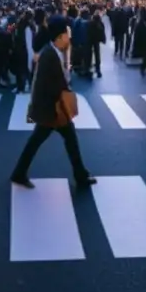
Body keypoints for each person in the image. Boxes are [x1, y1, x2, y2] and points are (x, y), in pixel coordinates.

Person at [11, 18, 95, 190]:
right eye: (66, 36)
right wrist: (65, 90)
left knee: (53, 140)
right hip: (51, 110)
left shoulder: (53, 52)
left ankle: (80, 174)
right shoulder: (50, 55)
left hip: (52, 108)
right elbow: (47, 84)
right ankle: (79, 175)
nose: (68, 39)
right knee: (47, 141)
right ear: (59, 37)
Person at [131, 8, 146, 76]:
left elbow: (136, 36)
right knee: (145, 56)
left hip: (140, 44)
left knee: (143, 56)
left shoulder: (139, 24)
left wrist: (134, 45)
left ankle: (144, 69)